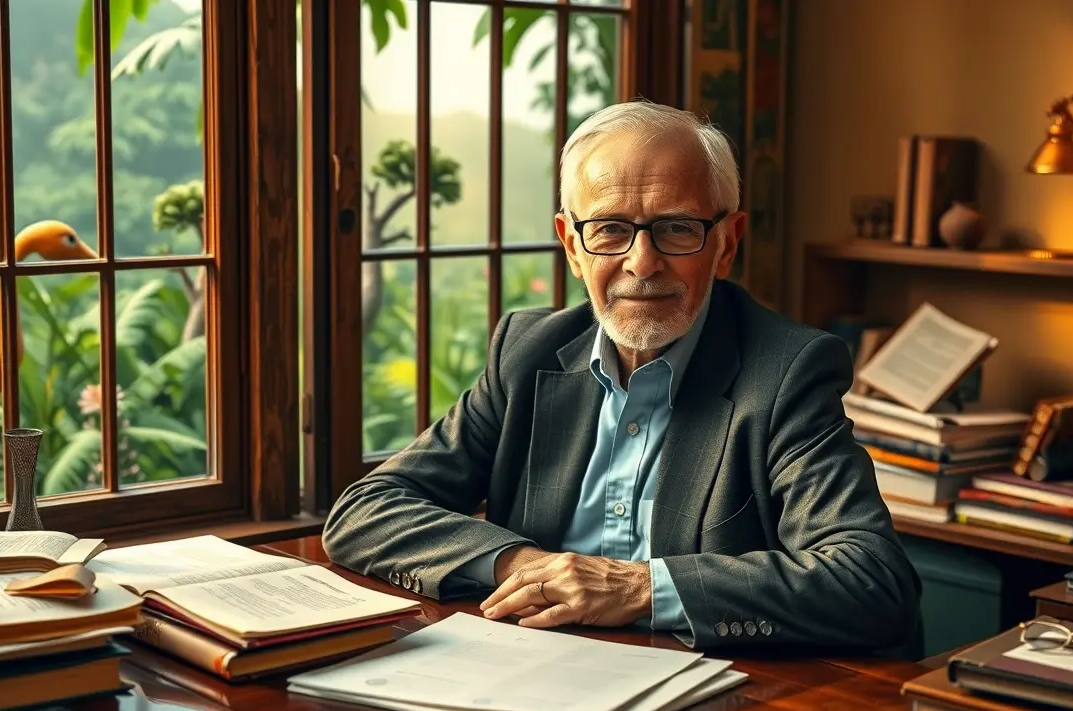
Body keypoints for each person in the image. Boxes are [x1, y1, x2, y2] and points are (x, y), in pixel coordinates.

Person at [323, 100, 921, 650]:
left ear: (727, 242)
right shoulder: (528, 353)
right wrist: (523, 566)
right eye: (609, 228)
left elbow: (871, 580)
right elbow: (366, 509)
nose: (642, 263)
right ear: (571, 245)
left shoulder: (787, 372)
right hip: (527, 670)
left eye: (677, 228)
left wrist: (637, 587)